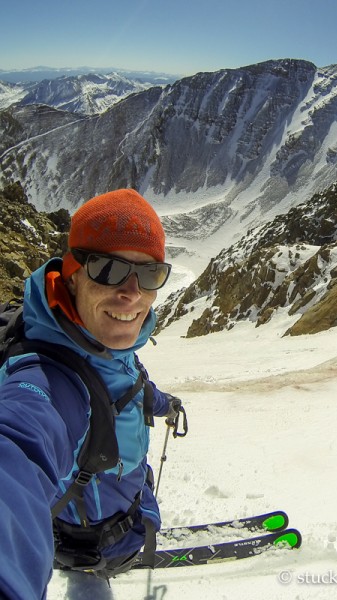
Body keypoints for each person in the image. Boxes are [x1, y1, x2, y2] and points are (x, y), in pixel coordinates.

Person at [0, 189, 180, 599]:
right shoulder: (50, 379)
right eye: (108, 269)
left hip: (116, 523)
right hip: (95, 547)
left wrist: (167, 404)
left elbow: (130, 391)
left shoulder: (104, 348)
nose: (132, 293)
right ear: (72, 273)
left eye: (150, 273)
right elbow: (19, 452)